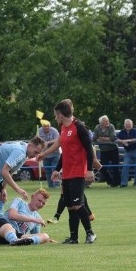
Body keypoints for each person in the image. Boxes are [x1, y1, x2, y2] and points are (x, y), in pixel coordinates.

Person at [36, 99, 97, 244]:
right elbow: (61, 147)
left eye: (56, 115)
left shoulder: (79, 127)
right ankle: (73, 238)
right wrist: (55, 166)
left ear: (60, 114)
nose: (55, 118)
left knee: (77, 204)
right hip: (67, 172)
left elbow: (89, 149)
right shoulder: (63, 127)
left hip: (78, 171)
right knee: (70, 205)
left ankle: (91, 233)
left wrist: (89, 170)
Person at [0, 137, 45, 222]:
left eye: (38, 153)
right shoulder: (20, 151)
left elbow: (10, 171)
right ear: (30, 146)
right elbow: (4, 171)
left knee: (2, 198)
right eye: (35, 152)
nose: (35, 155)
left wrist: (3, 188)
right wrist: (18, 189)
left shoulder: (24, 153)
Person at [93, 115, 119, 186]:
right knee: (102, 167)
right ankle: (110, 181)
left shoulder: (111, 126)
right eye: (106, 121)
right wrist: (106, 140)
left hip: (113, 149)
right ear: (101, 123)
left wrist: (101, 139)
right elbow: (95, 139)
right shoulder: (97, 127)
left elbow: (112, 138)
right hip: (104, 151)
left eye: (108, 120)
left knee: (115, 167)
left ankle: (116, 183)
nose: (108, 122)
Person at [116, 118, 136, 187]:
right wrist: (122, 141)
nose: (128, 125)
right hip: (127, 152)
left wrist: (127, 141)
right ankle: (124, 184)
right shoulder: (122, 132)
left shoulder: (135, 131)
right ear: (124, 125)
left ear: (132, 125)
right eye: (126, 124)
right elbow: (115, 138)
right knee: (125, 167)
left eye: (129, 124)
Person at [37, 120, 60, 188]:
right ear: (42, 126)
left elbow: (58, 140)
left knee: (55, 170)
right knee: (47, 171)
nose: (47, 127)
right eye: (45, 126)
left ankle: (56, 185)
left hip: (55, 154)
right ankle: (50, 186)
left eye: (48, 126)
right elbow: (37, 140)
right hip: (45, 155)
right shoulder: (39, 131)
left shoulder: (54, 131)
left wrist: (48, 142)